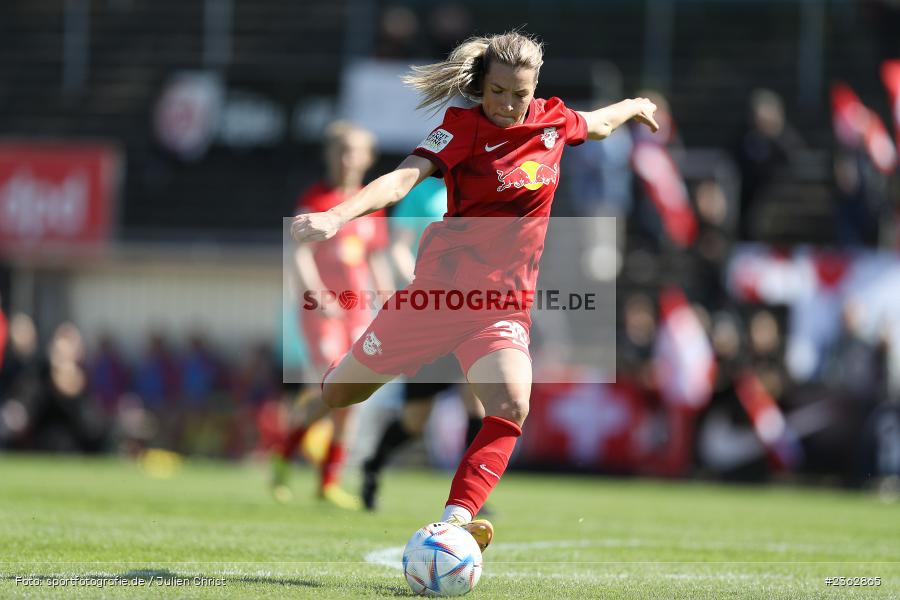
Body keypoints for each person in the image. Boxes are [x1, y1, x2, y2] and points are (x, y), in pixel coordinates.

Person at [291, 31, 658, 551]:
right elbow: (400, 181)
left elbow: (597, 125)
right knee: (340, 394)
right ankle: (325, 393)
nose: (508, 105)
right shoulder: (461, 129)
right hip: (438, 298)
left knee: (511, 402)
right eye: (498, 92)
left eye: (519, 94)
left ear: (535, 90)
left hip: (501, 307)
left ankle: (455, 518)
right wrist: (335, 215)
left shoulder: (554, 120)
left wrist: (634, 104)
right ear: (481, 86)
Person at [272, 121, 393, 510]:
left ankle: (327, 480)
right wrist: (316, 293)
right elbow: (300, 251)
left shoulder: (369, 206)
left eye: (355, 152)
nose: (348, 160)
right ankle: (285, 454)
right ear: (331, 156)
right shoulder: (317, 198)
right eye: (342, 152)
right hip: (322, 311)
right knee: (330, 385)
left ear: (367, 158)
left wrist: (389, 298)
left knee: (350, 396)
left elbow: (375, 259)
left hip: (358, 310)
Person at [359, 178, 486, 511]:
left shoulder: (482, 186)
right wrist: (422, 284)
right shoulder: (421, 194)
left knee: (476, 404)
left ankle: (470, 495)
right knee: (415, 420)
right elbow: (399, 246)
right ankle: (373, 466)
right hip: (431, 314)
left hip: (468, 313)